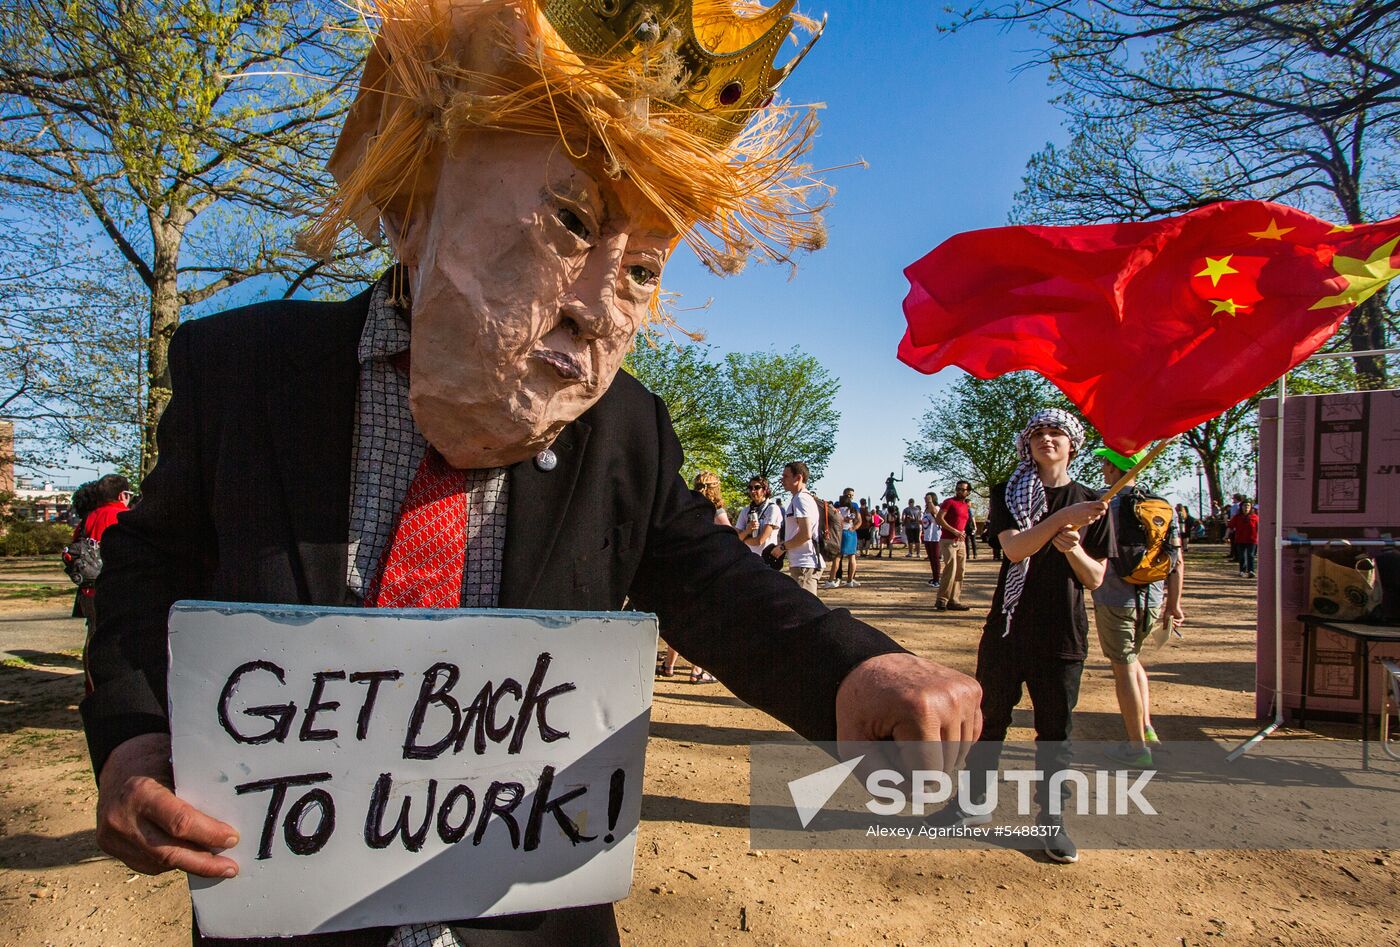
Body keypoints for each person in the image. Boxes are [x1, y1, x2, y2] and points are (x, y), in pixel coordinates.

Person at [81, 5, 983, 946]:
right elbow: (150, 562)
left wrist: (856, 667)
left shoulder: (627, 430)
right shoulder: (244, 373)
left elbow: (709, 578)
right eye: (570, 222)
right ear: (412, 209)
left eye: (639, 270)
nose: (600, 308)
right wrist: (136, 739)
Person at [934, 408, 1109, 865]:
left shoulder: (1095, 502)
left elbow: (1095, 579)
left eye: (1057, 433)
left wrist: (1072, 550)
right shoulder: (1009, 494)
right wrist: (1058, 522)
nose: (1048, 439)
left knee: (1055, 731)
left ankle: (1051, 821)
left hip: (1062, 633)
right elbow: (1014, 548)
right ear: (1027, 445)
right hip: (1008, 629)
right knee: (989, 719)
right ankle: (972, 804)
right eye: (1039, 434)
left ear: (1073, 444)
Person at [1090, 448, 1185, 767]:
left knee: (1124, 667)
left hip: (1115, 598)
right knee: (1133, 661)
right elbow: (1177, 559)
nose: (1103, 467)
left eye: (1106, 462)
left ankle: (1136, 747)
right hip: (1152, 597)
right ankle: (1146, 727)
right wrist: (1174, 604)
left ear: (1115, 469)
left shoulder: (1103, 503)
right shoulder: (1161, 504)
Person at [661, 472, 729, 682]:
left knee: (680, 617)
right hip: (707, 569)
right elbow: (728, 534)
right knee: (702, 619)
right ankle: (697, 670)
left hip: (684, 566)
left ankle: (669, 665)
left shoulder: (688, 507)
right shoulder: (716, 511)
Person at [73, 474, 131, 690]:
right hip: (117, 588)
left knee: (92, 637)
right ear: (122, 495)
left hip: (88, 589)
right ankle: (115, 687)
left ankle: (92, 686)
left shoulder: (88, 519)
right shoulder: (125, 516)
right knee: (119, 638)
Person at [775, 461, 823, 595]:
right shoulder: (798, 498)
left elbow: (805, 534)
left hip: (805, 564)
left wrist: (782, 547)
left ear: (798, 478)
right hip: (801, 563)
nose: (782, 479)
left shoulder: (801, 499)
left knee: (807, 612)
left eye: (786, 476)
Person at [935, 481, 974, 611]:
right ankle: (942, 600)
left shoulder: (965, 506)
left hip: (961, 542)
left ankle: (954, 600)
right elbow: (939, 518)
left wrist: (962, 532)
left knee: (960, 571)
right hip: (948, 540)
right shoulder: (949, 502)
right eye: (958, 489)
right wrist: (953, 530)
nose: (960, 491)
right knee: (950, 569)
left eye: (963, 490)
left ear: (968, 492)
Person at [823, 487, 862, 588]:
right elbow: (859, 520)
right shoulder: (853, 508)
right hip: (851, 533)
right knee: (852, 557)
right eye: (849, 495)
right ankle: (850, 580)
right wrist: (853, 528)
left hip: (841, 533)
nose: (851, 497)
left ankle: (831, 580)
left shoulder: (838, 508)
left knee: (837, 557)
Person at [735, 476, 783, 558]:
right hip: (747, 558)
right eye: (750, 488)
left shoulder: (772, 509)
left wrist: (743, 539)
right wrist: (747, 531)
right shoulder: (745, 511)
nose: (753, 491)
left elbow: (760, 540)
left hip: (766, 559)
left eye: (757, 487)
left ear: (765, 490)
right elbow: (736, 539)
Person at [1230, 499, 1260, 578]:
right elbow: (1231, 527)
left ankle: (1251, 571)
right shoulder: (1237, 517)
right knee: (1242, 556)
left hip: (1252, 539)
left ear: (1251, 507)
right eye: (1244, 505)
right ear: (1241, 507)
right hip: (1240, 539)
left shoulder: (1255, 517)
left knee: (1250, 555)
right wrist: (1226, 536)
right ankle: (1242, 571)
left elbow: (1260, 528)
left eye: (1248, 506)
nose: (1246, 507)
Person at [921, 492, 942, 588]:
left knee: (935, 558)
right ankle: (934, 577)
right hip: (927, 536)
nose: (925, 499)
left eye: (928, 497)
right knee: (931, 558)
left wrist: (930, 502)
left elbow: (935, 512)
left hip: (935, 537)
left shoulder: (936, 507)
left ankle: (937, 579)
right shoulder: (925, 510)